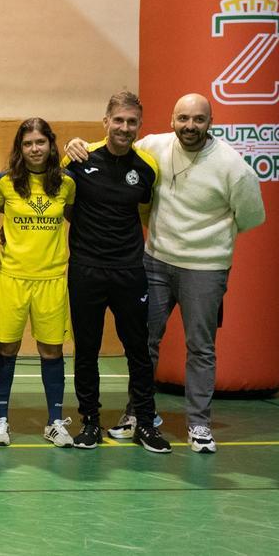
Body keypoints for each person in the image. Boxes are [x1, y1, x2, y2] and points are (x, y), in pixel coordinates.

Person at [69, 93, 266, 453]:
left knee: (200, 348)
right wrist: (74, 143)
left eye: (199, 119)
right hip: (154, 262)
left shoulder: (232, 166)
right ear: (172, 120)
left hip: (203, 268)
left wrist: (210, 239)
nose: (190, 126)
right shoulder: (153, 148)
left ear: (211, 122)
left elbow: (252, 217)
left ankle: (199, 425)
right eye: (183, 118)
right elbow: (108, 152)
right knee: (143, 344)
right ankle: (132, 416)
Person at [60, 91, 169, 453]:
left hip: (129, 271)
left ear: (139, 125)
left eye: (131, 121)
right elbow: (65, 207)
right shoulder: (79, 158)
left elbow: (144, 214)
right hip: (86, 270)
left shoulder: (146, 168)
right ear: (106, 120)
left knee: (138, 348)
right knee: (87, 349)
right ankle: (90, 422)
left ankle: (145, 421)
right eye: (118, 120)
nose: (124, 128)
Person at [0, 118, 75, 448]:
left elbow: (79, 221)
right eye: (28, 143)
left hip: (52, 278)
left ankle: (54, 422)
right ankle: (0, 420)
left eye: (40, 142)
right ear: (19, 149)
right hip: (11, 278)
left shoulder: (66, 184)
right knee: (6, 347)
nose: (34, 148)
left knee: (51, 350)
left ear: (51, 145)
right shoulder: (5, 183)